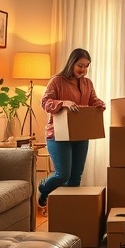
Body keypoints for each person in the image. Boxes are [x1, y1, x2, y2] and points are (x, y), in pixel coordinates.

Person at [37, 48, 106, 211]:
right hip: (57, 135)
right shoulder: (57, 81)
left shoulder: (87, 83)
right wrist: (63, 103)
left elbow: (92, 99)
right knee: (63, 174)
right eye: (80, 65)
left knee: (76, 177)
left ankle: (68, 212)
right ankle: (44, 188)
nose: (83, 70)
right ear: (72, 63)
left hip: (80, 134)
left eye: (86, 66)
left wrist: (99, 104)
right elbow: (45, 102)